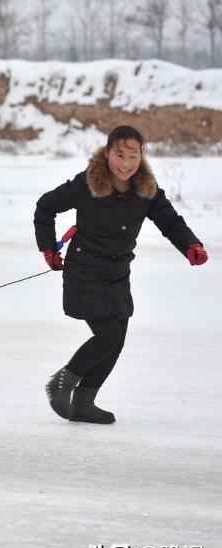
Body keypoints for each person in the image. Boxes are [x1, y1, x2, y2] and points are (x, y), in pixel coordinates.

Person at [34, 125, 208, 424]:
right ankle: (62, 383)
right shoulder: (88, 183)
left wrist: (190, 244)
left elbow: (171, 221)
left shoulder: (146, 189)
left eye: (133, 155)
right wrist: (48, 247)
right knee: (108, 335)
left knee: (117, 340)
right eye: (119, 154)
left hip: (117, 272)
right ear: (107, 151)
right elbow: (45, 207)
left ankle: (84, 403)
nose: (126, 163)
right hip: (85, 270)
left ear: (142, 155)